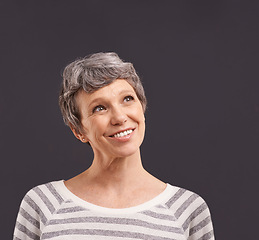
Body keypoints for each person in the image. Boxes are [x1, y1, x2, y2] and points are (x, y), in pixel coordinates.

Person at [13, 52, 215, 240]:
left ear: (142, 108)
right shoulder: (43, 203)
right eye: (99, 108)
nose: (119, 117)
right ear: (78, 131)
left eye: (127, 99)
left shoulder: (187, 208)